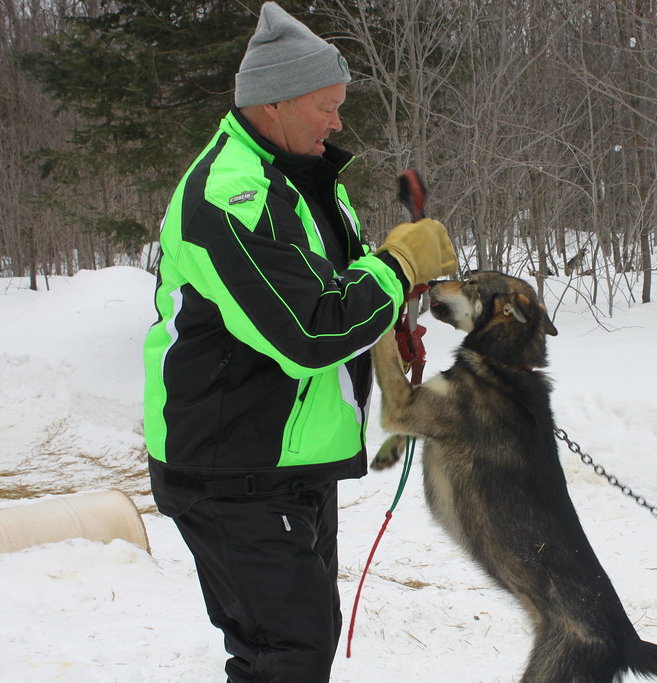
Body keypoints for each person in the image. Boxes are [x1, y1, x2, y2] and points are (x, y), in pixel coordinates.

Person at [142, 3, 456, 681]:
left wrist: (387, 316)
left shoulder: (302, 182)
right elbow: (312, 327)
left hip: (289, 455)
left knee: (295, 643)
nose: (338, 122)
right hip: (231, 465)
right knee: (287, 650)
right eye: (326, 106)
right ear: (275, 102)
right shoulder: (230, 195)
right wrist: (399, 266)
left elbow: (339, 289)